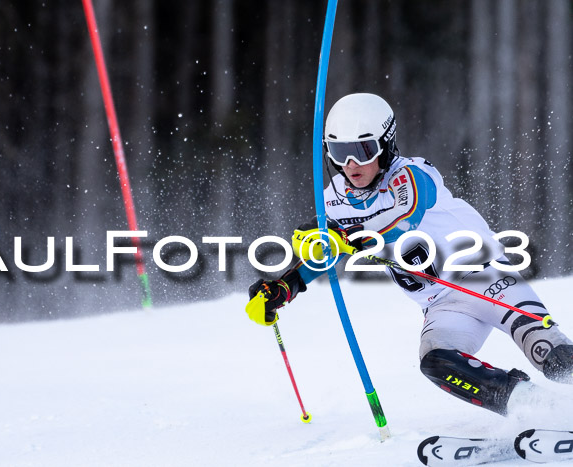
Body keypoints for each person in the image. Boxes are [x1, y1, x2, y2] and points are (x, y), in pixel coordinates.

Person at [246, 93, 573, 416]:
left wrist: (350, 235)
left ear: (386, 144)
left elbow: (407, 218)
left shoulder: (413, 174)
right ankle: (529, 407)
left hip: (488, 280)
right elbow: (325, 252)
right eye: (339, 152)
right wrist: (285, 287)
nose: (351, 164)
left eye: (363, 151)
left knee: (552, 357)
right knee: (436, 361)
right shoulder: (334, 199)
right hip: (442, 305)